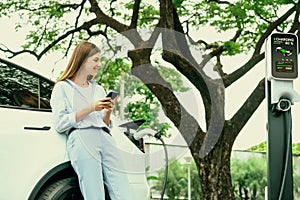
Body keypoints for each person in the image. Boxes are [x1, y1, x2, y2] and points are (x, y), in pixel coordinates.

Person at [50, 41, 130, 200]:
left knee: (123, 190)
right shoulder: (62, 88)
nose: (99, 65)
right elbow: (60, 123)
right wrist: (91, 107)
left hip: (105, 136)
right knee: (94, 193)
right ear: (82, 60)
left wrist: (107, 111)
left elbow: (105, 123)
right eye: (95, 60)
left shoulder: (98, 89)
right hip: (82, 136)